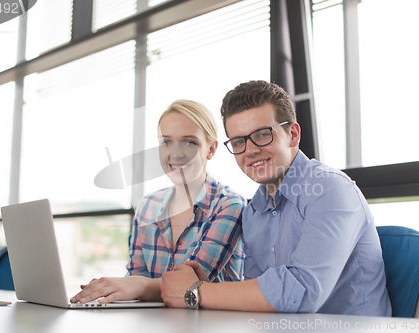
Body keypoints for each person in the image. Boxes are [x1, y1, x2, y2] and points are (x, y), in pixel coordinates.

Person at [160, 81, 392, 316]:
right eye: (239, 142)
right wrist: (207, 289)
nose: (250, 150)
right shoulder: (253, 213)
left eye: (262, 135)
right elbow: (261, 302)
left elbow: (302, 291)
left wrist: (197, 292)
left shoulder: (328, 188)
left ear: (293, 134)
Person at [71, 100, 245, 304]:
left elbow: (190, 285)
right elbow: (135, 280)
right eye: (166, 142)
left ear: (211, 149)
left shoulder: (228, 205)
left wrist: (140, 285)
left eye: (189, 142)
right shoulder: (147, 206)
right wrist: (114, 289)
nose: (176, 154)